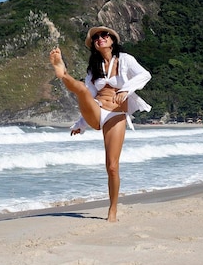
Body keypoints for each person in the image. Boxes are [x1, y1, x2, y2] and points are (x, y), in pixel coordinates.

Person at [49, 26, 151, 222]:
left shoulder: (125, 59)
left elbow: (144, 75)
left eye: (104, 35)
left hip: (116, 114)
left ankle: (112, 210)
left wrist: (126, 90)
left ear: (112, 39)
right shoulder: (93, 68)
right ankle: (62, 73)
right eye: (96, 37)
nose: (100, 38)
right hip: (97, 110)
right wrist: (81, 123)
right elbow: (90, 95)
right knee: (82, 90)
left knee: (112, 167)